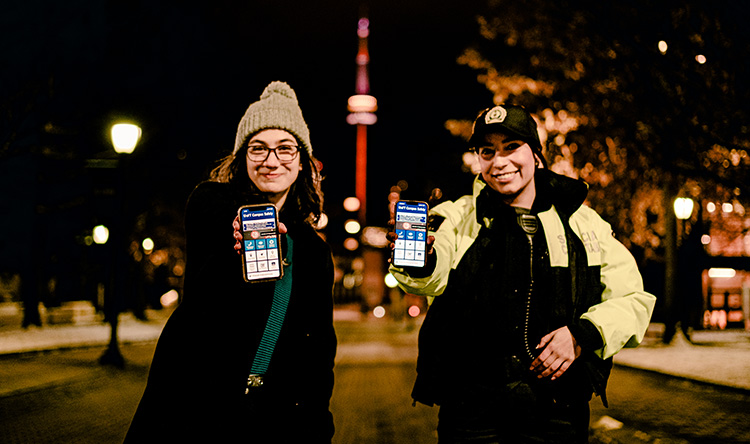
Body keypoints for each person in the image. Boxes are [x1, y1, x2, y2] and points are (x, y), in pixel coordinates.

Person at [389, 104, 656, 443]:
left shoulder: (581, 222)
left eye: (511, 147)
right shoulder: (457, 217)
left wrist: (582, 335)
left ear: (536, 155)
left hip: (556, 410)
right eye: (488, 151)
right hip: (471, 413)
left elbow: (632, 299)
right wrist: (419, 260)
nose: (499, 162)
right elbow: (432, 273)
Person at [125, 81, 337, 443]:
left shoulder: (314, 252)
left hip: (274, 417)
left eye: (285, 149)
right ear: (241, 158)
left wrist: (317, 423)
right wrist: (241, 229)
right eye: (258, 148)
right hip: (196, 408)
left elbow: (318, 349)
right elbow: (222, 220)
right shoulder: (211, 204)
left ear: (302, 163)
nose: (272, 161)